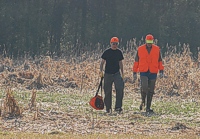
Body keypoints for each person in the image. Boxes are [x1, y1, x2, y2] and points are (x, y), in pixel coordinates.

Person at [132, 34, 164, 113]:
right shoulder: (140, 49)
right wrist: (134, 72)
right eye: (148, 42)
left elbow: (160, 60)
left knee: (151, 90)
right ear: (146, 41)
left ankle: (148, 107)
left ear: (153, 41)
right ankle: (143, 101)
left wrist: (161, 71)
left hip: (153, 71)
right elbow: (136, 61)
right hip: (143, 71)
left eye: (151, 42)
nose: (149, 43)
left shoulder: (157, 49)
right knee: (144, 87)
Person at [100, 37, 124, 114]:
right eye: (113, 43)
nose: (115, 45)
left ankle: (118, 107)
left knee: (119, 89)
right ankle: (108, 108)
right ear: (111, 44)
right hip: (107, 74)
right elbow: (102, 62)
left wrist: (122, 73)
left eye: (116, 44)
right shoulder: (106, 52)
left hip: (116, 73)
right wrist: (101, 71)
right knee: (107, 91)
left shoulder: (119, 52)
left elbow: (120, 63)